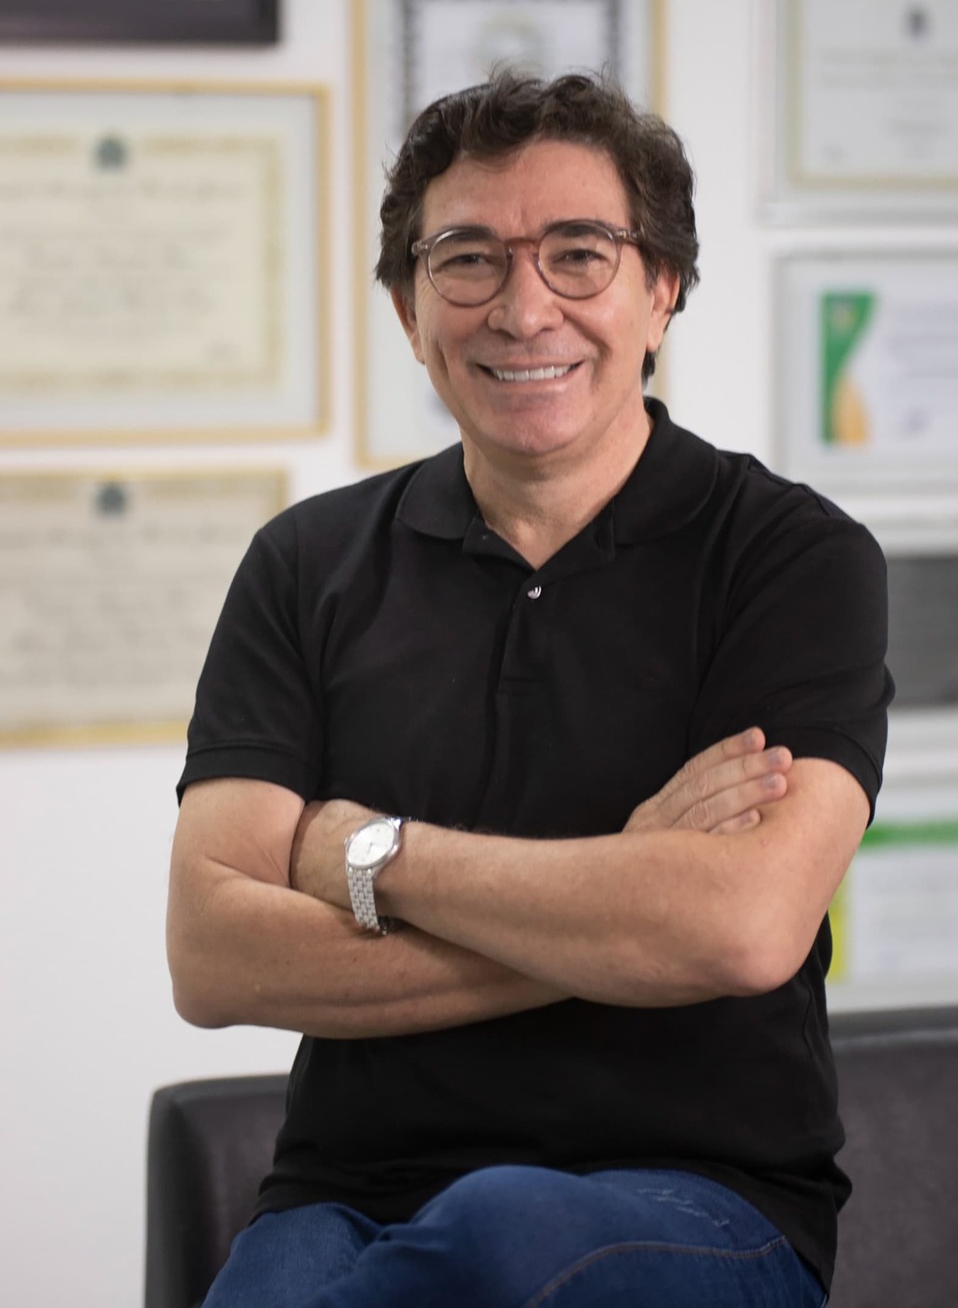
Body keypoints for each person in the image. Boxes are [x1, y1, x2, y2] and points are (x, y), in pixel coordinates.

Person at [167, 70, 892, 1308]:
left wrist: (371, 856)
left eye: (578, 255)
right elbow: (213, 957)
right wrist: (628, 904)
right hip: (348, 1192)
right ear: (409, 312)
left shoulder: (791, 558)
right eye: (467, 261)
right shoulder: (304, 564)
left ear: (662, 291)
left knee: (500, 1234)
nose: (522, 308)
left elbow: (741, 930)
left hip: (703, 1201)